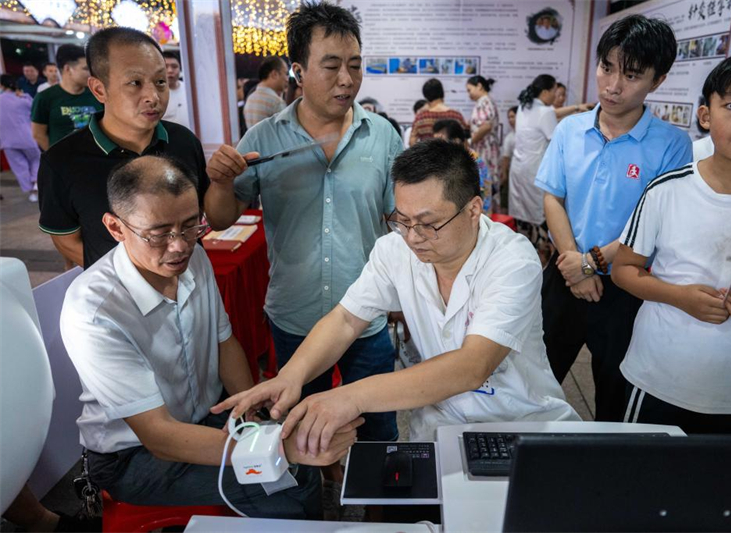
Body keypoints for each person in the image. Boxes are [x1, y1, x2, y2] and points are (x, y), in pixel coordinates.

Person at [212, 140, 580, 453]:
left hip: (519, 421)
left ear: (472, 210)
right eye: (402, 220)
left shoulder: (512, 258)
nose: (413, 236)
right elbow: (345, 319)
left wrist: (351, 396)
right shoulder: (395, 250)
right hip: (441, 420)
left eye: (428, 223)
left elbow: (472, 366)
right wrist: (291, 375)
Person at [60, 155, 359, 517]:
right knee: (285, 480)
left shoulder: (194, 260)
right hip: (133, 455)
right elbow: (159, 436)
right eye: (158, 233)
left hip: (205, 417)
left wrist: (254, 411)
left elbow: (225, 343)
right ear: (116, 228)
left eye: (191, 226)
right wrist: (279, 449)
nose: (179, 245)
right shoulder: (94, 310)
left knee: (293, 462)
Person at [203, 1, 402, 514]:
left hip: (367, 318)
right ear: (298, 68)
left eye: (355, 64)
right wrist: (220, 181)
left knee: (379, 430)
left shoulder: (381, 136)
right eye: (331, 65)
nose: (347, 78)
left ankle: (384, 518)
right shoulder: (265, 138)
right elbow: (222, 218)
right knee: (296, 433)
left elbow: (396, 220)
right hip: (294, 314)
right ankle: (310, 515)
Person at [612, 50, 731, 433]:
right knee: (640, 479)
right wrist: (678, 296)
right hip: (656, 375)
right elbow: (624, 270)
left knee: (712, 484)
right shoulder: (667, 191)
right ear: (705, 115)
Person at [535, 14, 692, 422]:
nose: (612, 86)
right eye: (607, 67)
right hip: (564, 274)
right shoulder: (570, 130)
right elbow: (553, 197)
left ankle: (605, 477)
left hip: (626, 286)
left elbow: (654, 226)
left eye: (632, 75)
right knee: (536, 379)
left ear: (657, 81)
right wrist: (574, 264)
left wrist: (592, 263)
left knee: (614, 393)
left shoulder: (673, 145)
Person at [37, 27, 209, 269]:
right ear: (99, 89)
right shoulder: (62, 161)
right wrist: (129, 279)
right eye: (135, 83)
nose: (153, 96)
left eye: (160, 82)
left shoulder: (183, 141)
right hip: (121, 297)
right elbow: (66, 240)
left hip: (190, 283)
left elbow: (202, 215)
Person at [509, 75, 558, 250]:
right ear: (545, 92)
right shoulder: (546, 112)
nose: (555, 95)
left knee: (521, 212)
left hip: (518, 167)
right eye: (554, 91)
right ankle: (541, 253)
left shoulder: (523, 107)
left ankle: (521, 250)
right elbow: (555, 141)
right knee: (538, 212)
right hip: (535, 168)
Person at [31, 44, 102, 150]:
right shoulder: (45, 97)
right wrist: (57, 158)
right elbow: (38, 134)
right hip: (64, 161)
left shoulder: (97, 94)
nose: (91, 73)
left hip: (96, 158)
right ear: (67, 69)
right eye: (86, 69)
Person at [432, 119, 491, 213]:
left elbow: (479, 198)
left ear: (457, 141)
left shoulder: (471, 161)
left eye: (442, 144)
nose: (438, 149)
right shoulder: (454, 158)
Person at [0, 74, 40, 202]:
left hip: (7, 141)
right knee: (36, 159)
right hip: (27, 137)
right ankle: (36, 185)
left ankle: (30, 190)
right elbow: (35, 112)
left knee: (19, 166)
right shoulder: (24, 98)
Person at [466, 75, 500, 211]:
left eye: (469, 90)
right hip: (484, 148)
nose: (468, 94)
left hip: (485, 149)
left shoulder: (484, 101)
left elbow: (486, 126)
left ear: (479, 86)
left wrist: (470, 141)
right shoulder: (485, 101)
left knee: (485, 184)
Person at [409, 78, 468, 145]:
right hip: (452, 154)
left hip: (428, 154)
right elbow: (464, 142)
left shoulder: (420, 117)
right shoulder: (456, 115)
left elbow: (412, 142)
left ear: (426, 96)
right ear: (443, 93)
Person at [243, 55, 288, 129]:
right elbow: (286, 135)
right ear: (274, 74)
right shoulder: (275, 102)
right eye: (286, 74)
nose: (287, 79)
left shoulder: (250, 98)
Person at [161, 51, 191, 129]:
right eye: (166, 67)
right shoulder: (154, 94)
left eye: (174, 66)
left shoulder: (189, 90)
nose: (170, 70)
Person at [498, 106, 517, 213]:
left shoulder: (527, 135)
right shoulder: (509, 137)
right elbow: (506, 158)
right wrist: (504, 174)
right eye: (509, 117)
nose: (510, 120)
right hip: (512, 172)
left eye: (513, 117)